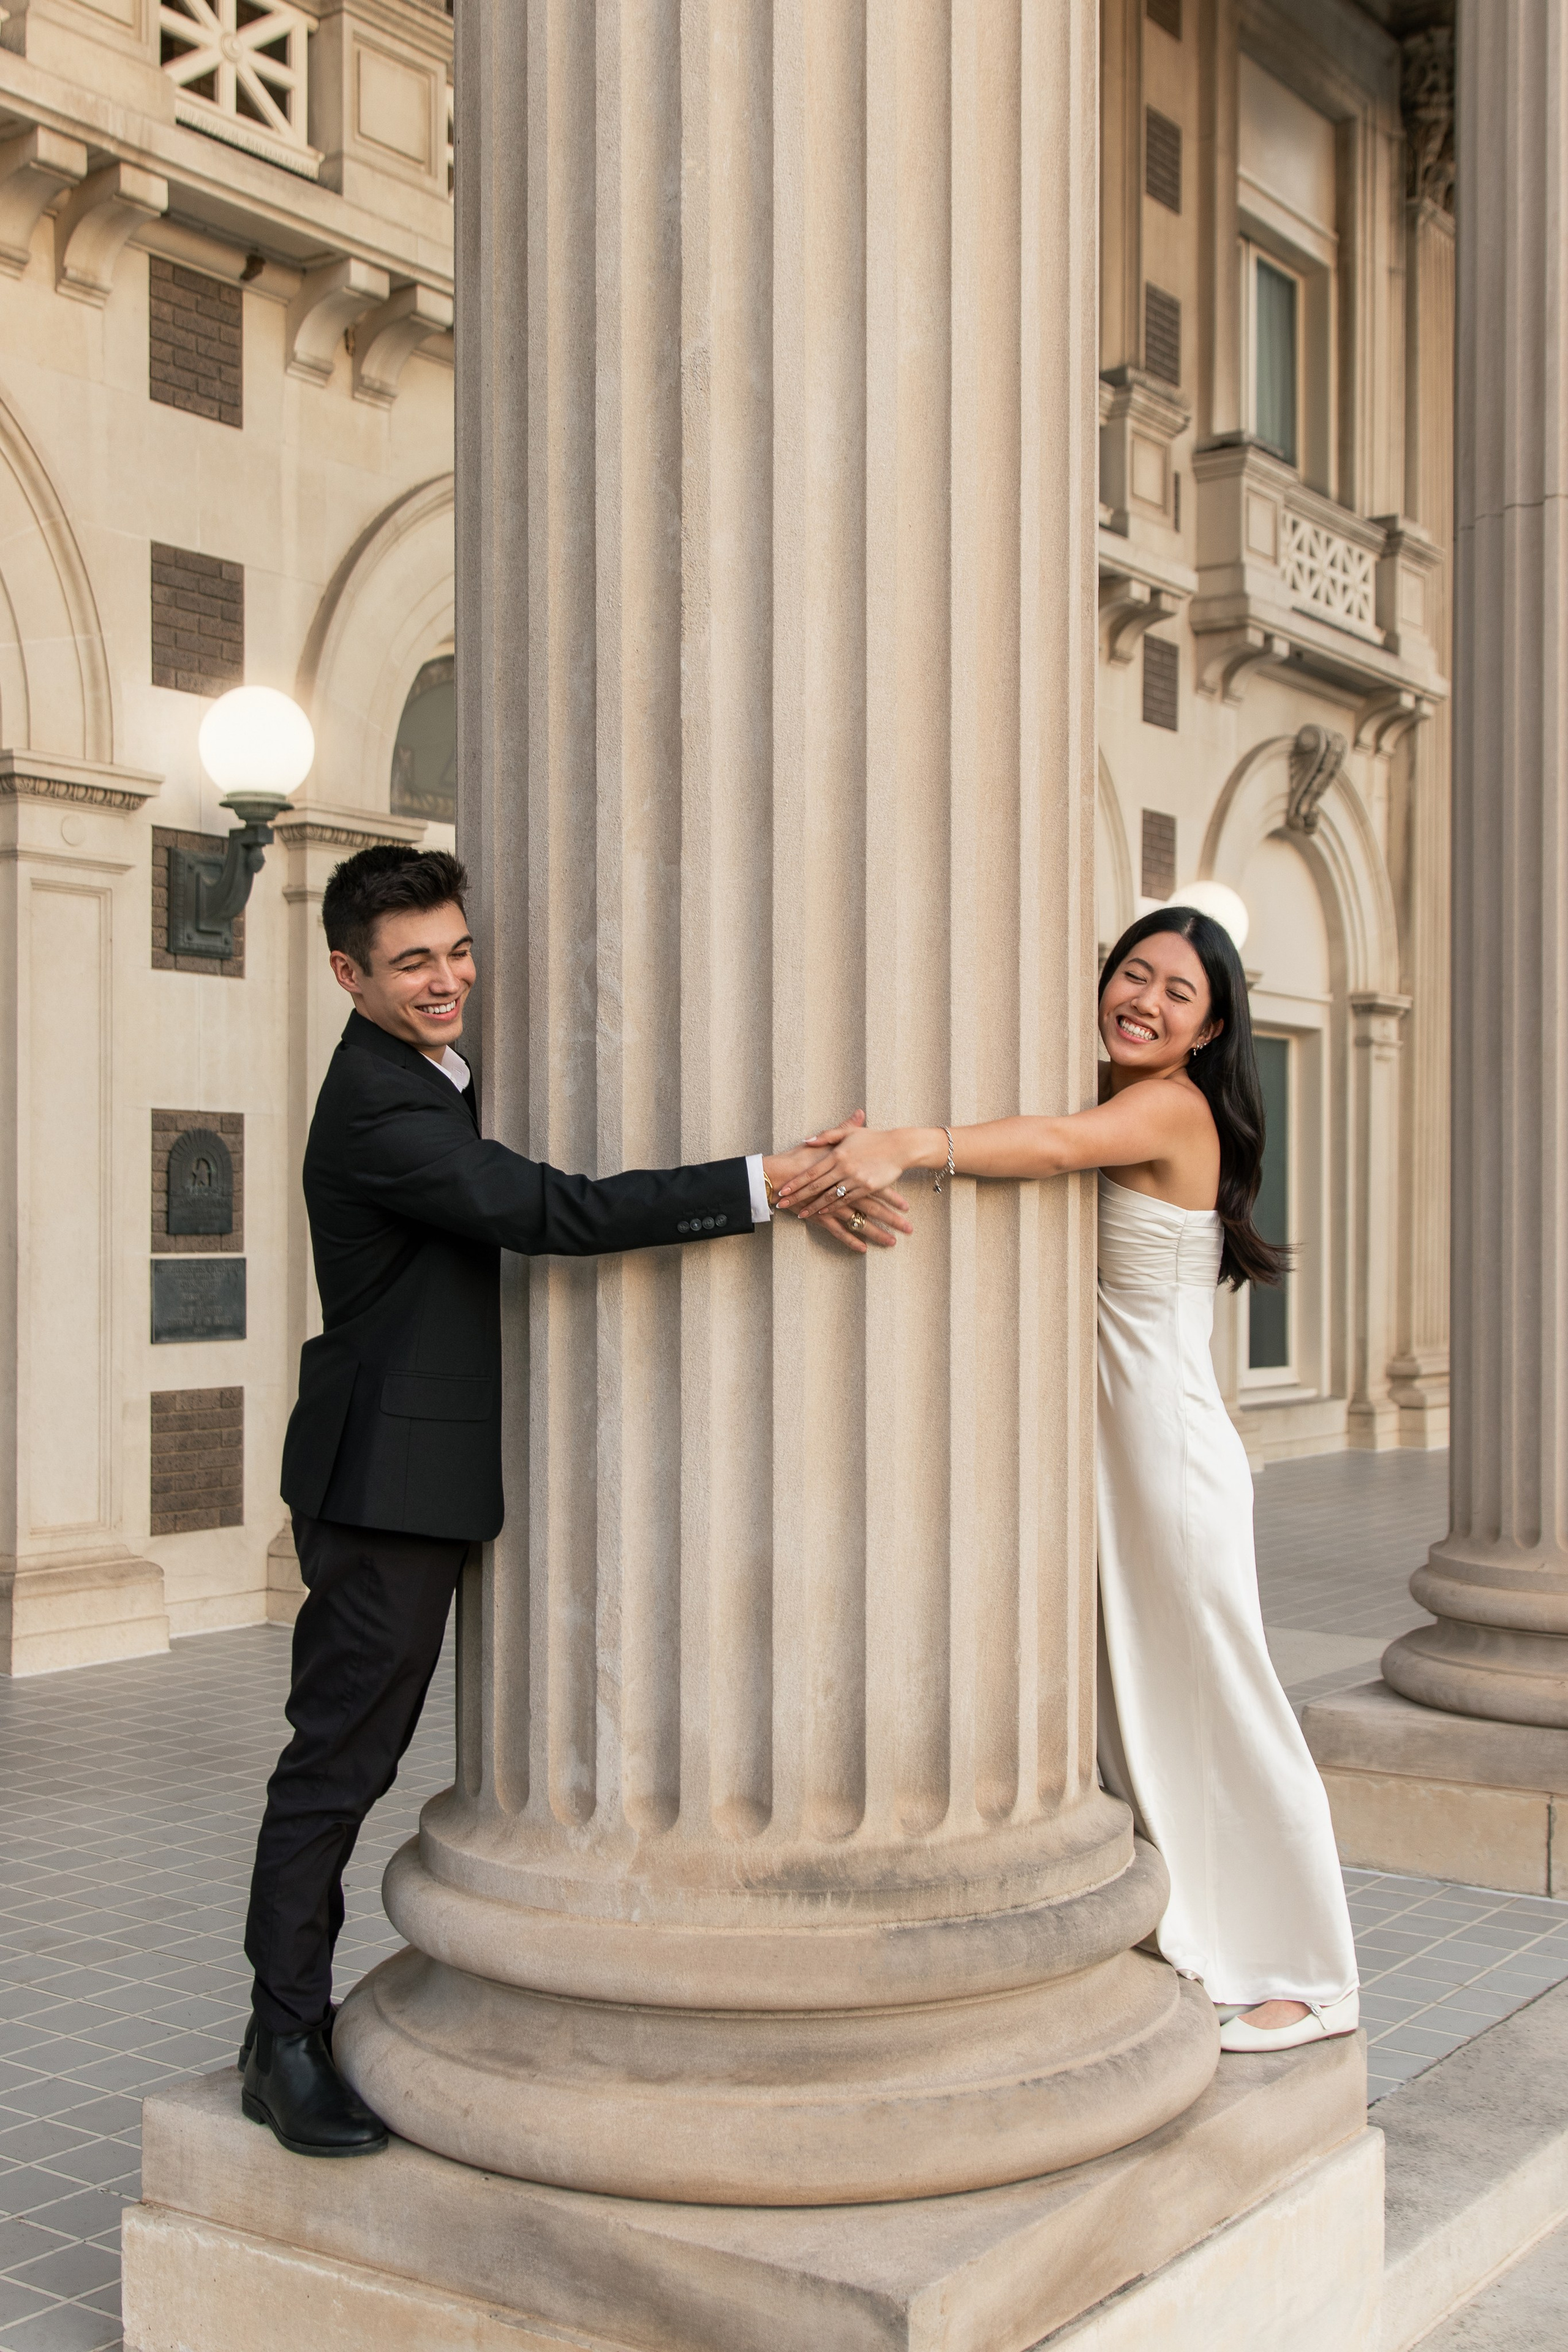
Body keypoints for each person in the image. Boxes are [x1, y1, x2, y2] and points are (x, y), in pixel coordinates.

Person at [242, 845, 910, 2159]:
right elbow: (557, 1211)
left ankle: (285, 2023)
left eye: (456, 951)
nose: (448, 981)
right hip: (383, 1488)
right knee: (337, 1765)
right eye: (413, 963)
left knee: (346, 1759)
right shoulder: (378, 1107)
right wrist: (766, 1183)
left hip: (424, 1470)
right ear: (347, 976)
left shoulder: (429, 1071)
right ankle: (278, 2040)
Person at [778, 905, 1359, 2053]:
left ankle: (1313, 1971)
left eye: (1176, 992)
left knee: (1225, 1702)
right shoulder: (1112, 1080)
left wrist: (903, 1145)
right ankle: (1196, 1924)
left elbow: (1045, 1147)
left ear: (1210, 1028)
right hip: (1117, 1446)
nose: (1142, 999)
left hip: (1172, 1457)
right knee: (1138, 1699)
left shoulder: (1168, 1107)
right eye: (1129, 974)